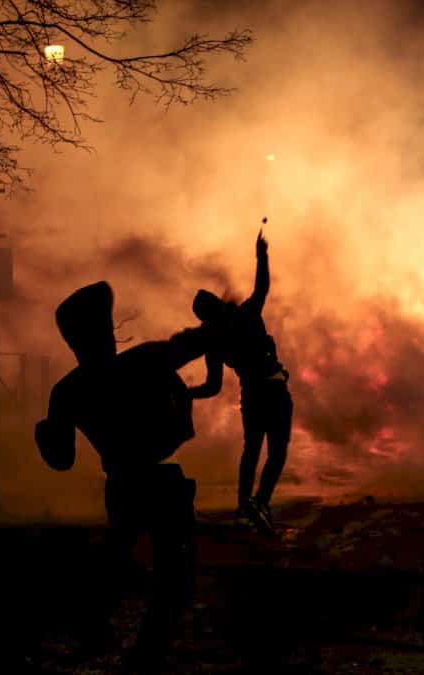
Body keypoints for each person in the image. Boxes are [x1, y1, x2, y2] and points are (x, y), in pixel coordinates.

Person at [34, 281, 207, 673]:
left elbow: (60, 460)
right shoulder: (140, 361)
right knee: (172, 577)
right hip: (158, 485)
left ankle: (97, 632)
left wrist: (44, 433)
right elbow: (191, 344)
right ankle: (140, 650)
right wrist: (221, 320)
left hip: (125, 486)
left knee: (117, 564)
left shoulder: (68, 391)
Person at [189, 228, 292, 537]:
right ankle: (257, 504)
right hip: (272, 390)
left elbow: (212, 387)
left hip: (255, 395)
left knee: (254, 450)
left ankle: (247, 507)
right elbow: (262, 288)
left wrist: (185, 393)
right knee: (275, 451)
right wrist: (262, 256)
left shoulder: (215, 340)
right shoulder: (245, 315)